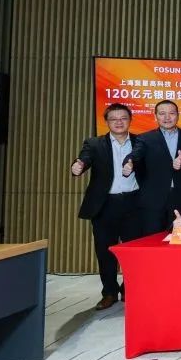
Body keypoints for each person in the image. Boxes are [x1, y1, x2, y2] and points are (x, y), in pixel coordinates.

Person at [70, 103, 140, 310]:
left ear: (130, 120)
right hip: (105, 204)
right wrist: (78, 166)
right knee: (104, 251)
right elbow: (84, 159)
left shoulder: (140, 142)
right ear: (107, 122)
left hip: (134, 203)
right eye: (114, 119)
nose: (119, 122)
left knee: (133, 252)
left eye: (123, 118)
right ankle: (109, 292)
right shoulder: (94, 143)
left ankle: (129, 289)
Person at [129, 100, 181, 235]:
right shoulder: (145, 138)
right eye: (162, 113)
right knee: (152, 240)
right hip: (153, 200)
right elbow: (135, 155)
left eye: (171, 113)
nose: (167, 117)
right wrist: (129, 162)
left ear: (178, 115)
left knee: (180, 240)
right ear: (155, 116)